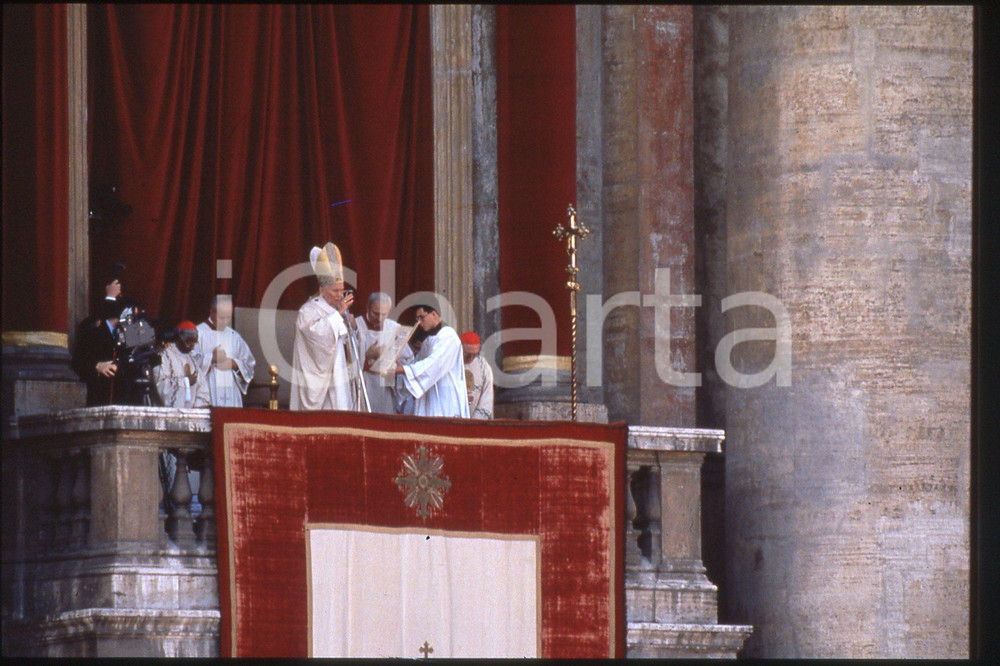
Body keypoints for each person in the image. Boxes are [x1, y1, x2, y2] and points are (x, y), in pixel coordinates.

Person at [290, 242, 356, 411]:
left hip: (339, 376)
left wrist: (352, 328)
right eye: (335, 291)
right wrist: (338, 315)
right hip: (320, 384)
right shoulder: (308, 311)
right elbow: (317, 340)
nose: (340, 295)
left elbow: (350, 349)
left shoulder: (339, 311)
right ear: (322, 289)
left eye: (342, 290)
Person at [394, 302, 469, 418]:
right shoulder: (428, 341)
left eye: (422, 317)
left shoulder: (449, 336)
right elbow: (417, 364)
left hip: (445, 400)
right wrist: (399, 364)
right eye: (417, 319)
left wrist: (403, 369)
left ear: (434, 314)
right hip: (429, 400)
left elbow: (435, 364)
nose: (419, 322)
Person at [355, 292, 414, 414]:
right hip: (364, 385)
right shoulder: (355, 326)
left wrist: (397, 362)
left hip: (386, 387)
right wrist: (367, 356)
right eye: (375, 313)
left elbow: (408, 359)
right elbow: (346, 360)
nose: (379, 318)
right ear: (368, 308)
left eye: (384, 314)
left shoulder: (394, 328)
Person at [193, 295, 256, 407]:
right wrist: (211, 357)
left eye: (228, 318)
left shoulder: (234, 336)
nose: (226, 322)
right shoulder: (197, 333)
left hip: (231, 394)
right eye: (222, 318)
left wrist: (234, 364)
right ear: (212, 312)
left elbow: (249, 363)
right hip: (207, 392)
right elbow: (188, 362)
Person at [72, 295, 127, 406]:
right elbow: (77, 361)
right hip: (98, 396)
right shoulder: (93, 331)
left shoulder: (124, 335)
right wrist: (97, 366)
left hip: (120, 399)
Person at [153, 321, 210, 408]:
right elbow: (161, 385)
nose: (192, 347)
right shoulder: (165, 356)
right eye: (188, 342)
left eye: (194, 343)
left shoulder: (192, 361)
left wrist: (197, 408)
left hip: (191, 416)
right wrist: (186, 382)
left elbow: (202, 389)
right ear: (179, 339)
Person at [461, 331, 494, 419]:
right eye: (467, 355)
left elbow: (487, 397)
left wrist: (475, 421)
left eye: (474, 355)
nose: (471, 358)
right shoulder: (451, 364)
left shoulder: (483, 366)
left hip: (477, 422)